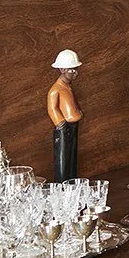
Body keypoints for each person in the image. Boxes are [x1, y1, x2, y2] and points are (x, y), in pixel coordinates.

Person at [48, 50, 82, 182]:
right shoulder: (56, 90)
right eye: (72, 70)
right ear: (62, 69)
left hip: (72, 126)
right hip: (64, 128)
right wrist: (60, 124)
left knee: (72, 157)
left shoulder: (67, 87)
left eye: (76, 69)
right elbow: (52, 108)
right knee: (63, 159)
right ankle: (63, 185)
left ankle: (72, 182)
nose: (75, 73)